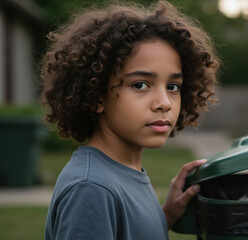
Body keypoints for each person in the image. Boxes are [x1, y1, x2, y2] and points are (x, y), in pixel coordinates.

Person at [39, 1, 219, 239]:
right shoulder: (91, 189)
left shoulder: (120, 172)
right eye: (141, 84)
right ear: (96, 97)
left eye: (173, 86)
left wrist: (165, 215)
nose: (164, 102)